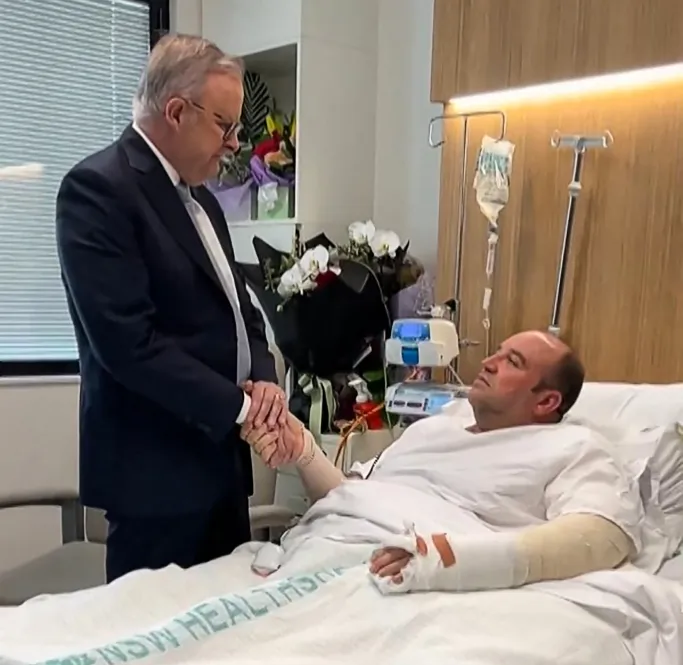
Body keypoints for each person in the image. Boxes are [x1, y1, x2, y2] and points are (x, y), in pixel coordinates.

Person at [56, 34, 287, 583]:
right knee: (153, 652)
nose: (234, 144)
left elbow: (241, 311)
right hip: (155, 478)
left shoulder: (202, 198)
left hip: (221, 468)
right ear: (177, 111)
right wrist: (241, 407)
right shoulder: (98, 190)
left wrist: (265, 378)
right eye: (225, 126)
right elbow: (128, 345)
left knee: (223, 639)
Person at [241, 330, 644, 591]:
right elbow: (350, 498)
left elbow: (598, 537)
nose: (488, 362)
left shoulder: (573, 447)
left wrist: (450, 561)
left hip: (401, 576)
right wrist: (305, 451)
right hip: (318, 552)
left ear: (547, 401)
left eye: (512, 362)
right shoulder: (433, 429)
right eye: (498, 353)